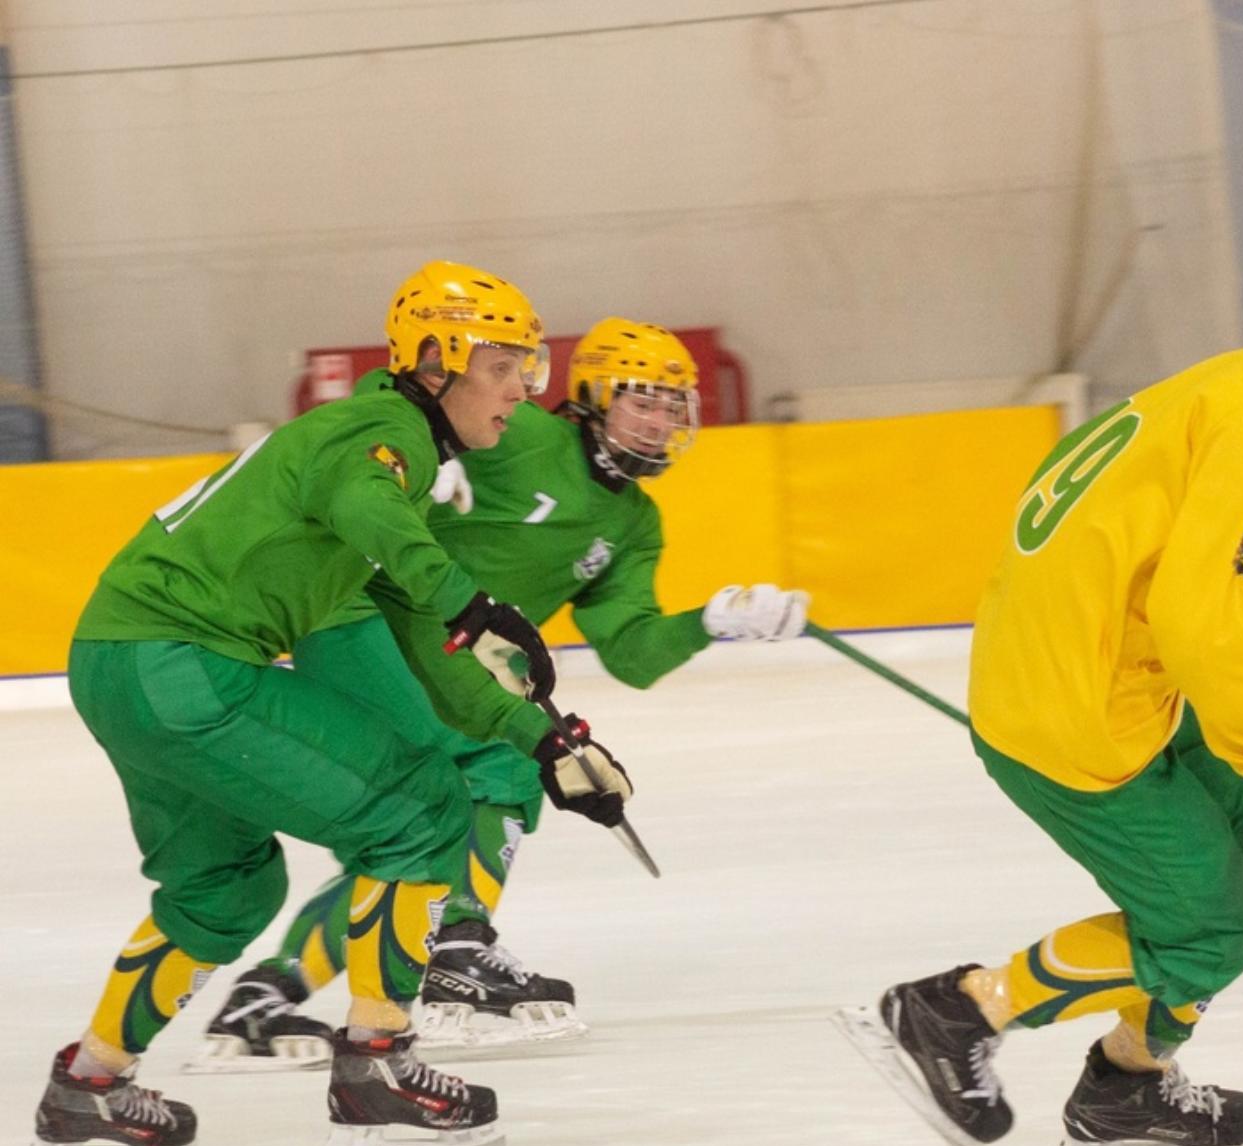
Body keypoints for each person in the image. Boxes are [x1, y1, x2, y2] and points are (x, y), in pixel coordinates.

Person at [837, 190, 1243, 1146]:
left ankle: (1125, 1088)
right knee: (1213, 927)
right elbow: (1199, 611)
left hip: (1109, 671)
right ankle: (959, 1008)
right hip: (1078, 707)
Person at [24, 262, 632, 1146]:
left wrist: (542, 740)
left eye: (530, 369)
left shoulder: (381, 455)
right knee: (424, 808)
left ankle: (90, 1085)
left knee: (225, 888)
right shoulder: (383, 433)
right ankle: (378, 1069)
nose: (522, 392)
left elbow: (431, 646)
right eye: (504, 366)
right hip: (183, 660)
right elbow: (374, 511)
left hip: (118, 660)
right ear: (437, 358)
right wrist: (473, 599)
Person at [194, 318, 809, 1068]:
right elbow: (374, 397)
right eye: (640, 402)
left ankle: (267, 995)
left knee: (421, 826)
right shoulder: (519, 437)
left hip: (452, 661)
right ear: (590, 396)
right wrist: (413, 460)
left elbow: (632, 653)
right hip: (371, 621)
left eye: (674, 408)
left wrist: (711, 622)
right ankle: (460, 943)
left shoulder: (634, 522)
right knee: (513, 761)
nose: (658, 422)